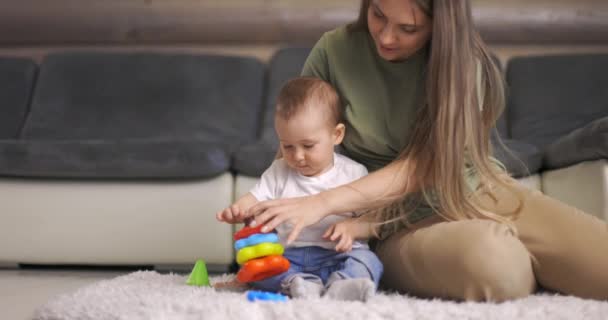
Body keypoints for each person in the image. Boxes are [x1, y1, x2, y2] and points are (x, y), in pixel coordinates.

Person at [241, 0, 608, 302]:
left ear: (440, 25)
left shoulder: (465, 64)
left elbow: (427, 164)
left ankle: (529, 263)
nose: (385, 36)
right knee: (498, 268)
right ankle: (518, 264)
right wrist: (267, 216)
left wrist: (324, 202)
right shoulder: (334, 51)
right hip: (384, 224)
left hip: (476, 193)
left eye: (408, 28)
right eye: (378, 15)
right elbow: (296, 148)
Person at [216, 77, 383, 301]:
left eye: (308, 146)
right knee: (259, 268)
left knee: (370, 261)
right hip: (290, 257)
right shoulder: (279, 171)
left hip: (339, 254)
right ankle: (298, 284)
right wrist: (238, 209)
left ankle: (344, 284)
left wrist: (353, 228)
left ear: (337, 135)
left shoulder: (354, 174)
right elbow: (255, 198)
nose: (297, 156)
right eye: (287, 146)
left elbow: (375, 221)